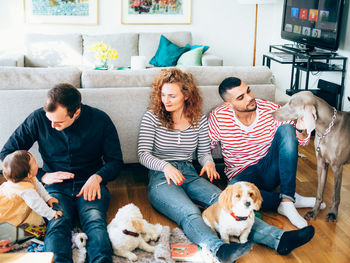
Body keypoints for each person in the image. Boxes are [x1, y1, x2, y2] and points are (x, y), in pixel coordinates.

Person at [138, 68, 315, 263]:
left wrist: (209, 163)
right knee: (189, 212)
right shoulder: (152, 117)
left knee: (227, 203)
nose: (166, 100)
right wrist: (165, 167)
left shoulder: (197, 119)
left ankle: (279, 239)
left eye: (172, 95)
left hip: (189, 172)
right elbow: (143, 154)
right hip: (160, 177)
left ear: (186, 95)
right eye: (163, 95)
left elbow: (204, 152)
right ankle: (219, 250)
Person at [0, 83, 123, 263]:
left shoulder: (100, 120)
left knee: (95, 223)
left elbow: (115, 161)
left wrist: (98, 177)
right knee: (57, 224)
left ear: (76, 113)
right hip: (53, 187)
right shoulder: (38, 119)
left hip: (90, 184)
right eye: (50, 119)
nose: (52, 125)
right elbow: (6, 155)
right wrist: (41, 175)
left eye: (58, 122)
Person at [208, 77, 324, 229]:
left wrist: (301, 130)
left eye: (248, 90)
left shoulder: (270, 109)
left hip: (269, 168)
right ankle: (288, 199)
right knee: (233, 190)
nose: (250, 97)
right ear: (229, 105)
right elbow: (206, 146)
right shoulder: (218, 117)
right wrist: (207, 162)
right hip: (242, 175)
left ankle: (287, 201)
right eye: (241, 97)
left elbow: (299, 141)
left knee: (287, 129)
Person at [0, 150, 62, 226]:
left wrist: (47, 198)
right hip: (8, 210)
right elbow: (37, 205)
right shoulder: (26, 190)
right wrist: (51, 213)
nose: (37, 165)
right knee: (9, 225)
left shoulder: (27, 177)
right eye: (35, 163)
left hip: (15, 199)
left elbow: (38, 186)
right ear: (29, 174)